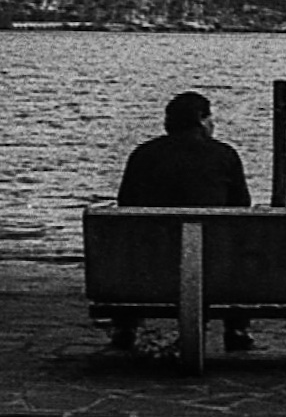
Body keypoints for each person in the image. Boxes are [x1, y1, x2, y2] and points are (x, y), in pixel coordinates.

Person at [109, 90, 255, 352]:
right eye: (211, 118)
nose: (214, 124)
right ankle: (236, 328)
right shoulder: (224, 155)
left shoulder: (144, 155)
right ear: (200, 119)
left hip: (152, 267)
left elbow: (125, 206)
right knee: (239, 247)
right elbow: (241, 208)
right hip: (213, 269)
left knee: (129, 244)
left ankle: (125, 326)